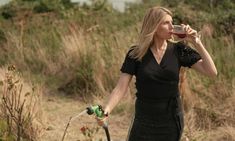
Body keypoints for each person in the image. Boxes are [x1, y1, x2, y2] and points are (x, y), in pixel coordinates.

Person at [97, 6, 217, 141]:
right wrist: (107, 110)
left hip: (171, 120)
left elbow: (211, 72)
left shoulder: (179, 50)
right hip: (143, 119)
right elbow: (121, 88)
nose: (172, 26)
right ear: (153, 26)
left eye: (172, 22)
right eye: (166, 23)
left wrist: (197, 42)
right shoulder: (136, 53)